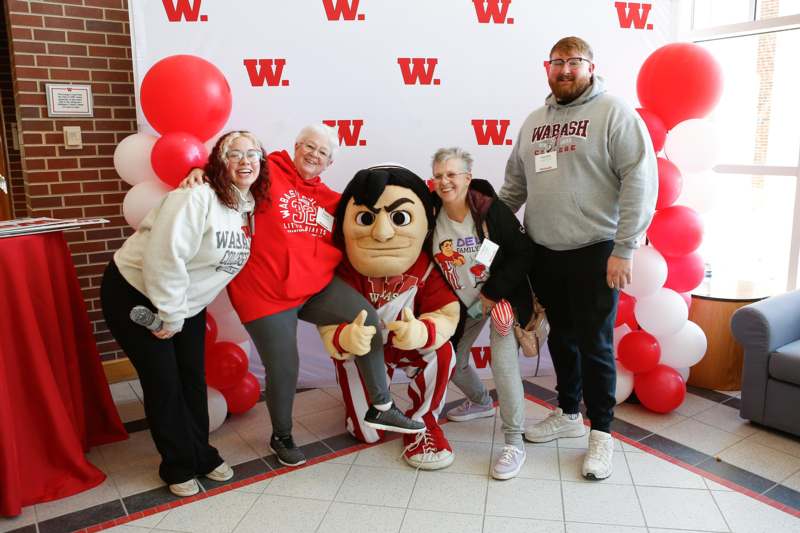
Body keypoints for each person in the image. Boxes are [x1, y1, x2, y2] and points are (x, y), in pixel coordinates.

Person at [183, 124, 423, 468]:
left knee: (367, 318)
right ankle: (281, 435)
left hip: (314, 289)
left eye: (322, 153)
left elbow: (373, 214)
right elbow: (232, 168)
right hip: (264, 295)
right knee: (284, 368)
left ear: (328, 163)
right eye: (309, 147)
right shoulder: (269, 172)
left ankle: (382, 407)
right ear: (296, 147)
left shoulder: (331, 198)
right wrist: (196, 171)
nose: (314, 155)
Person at [499, 36, 657, 480]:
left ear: (591, 66)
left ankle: (601, 433)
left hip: (598, 252)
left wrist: (625, 247)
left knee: (596, 345)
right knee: (560, 339)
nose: (565, 70)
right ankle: (568, 413)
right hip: (545, 252)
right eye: (557, 62)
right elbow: (513, 189)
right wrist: (480, 225)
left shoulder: (613, 113)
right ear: (547, 68)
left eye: (574, 62)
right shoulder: (533, 122)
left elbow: (639, 180)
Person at [101, 130, 268, 497]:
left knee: (192, 377)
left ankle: (202, 455)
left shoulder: (247, 203)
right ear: (217, 161)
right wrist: (170, 315)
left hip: (182, 301)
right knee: (165, 382)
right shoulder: (196, 196)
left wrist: (179, 311)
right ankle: (177, 464)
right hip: (137, 291)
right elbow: (164, 256)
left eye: (252, 153)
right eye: (233, 153)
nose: (245, 160)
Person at [321, 165, 460, 470]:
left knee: (442, 350)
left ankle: (423, 423)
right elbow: (328, 320)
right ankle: (366, 405)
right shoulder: (343, 269)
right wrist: (344, 337)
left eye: (399, 218)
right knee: (366, 433)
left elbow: (447, 313)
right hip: (367, 352)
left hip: (406, 345)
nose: (382, 233)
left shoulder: (427, 265)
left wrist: (422, 331)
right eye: (367, 218)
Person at [429, 147, 535, 479]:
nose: (445, 181)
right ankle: (479, 401)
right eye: (439, 175)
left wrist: (492, 293)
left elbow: (522, 254)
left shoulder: (490, 210)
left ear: (467, 178)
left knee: (502, 364)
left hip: (500, 297)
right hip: (464, 304)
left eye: (452, 174)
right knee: (451, 360)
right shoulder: (431, 214)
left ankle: (514, 441)